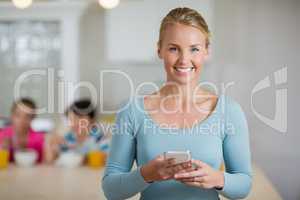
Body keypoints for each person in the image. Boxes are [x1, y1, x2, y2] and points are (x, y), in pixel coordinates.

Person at [102, 7, 252, 200]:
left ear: (207, 50)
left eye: (194, 49)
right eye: (173, 48)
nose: (184, 60)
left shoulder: (228, 111)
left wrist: (217, 178)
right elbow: (111, 190)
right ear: (159, 50)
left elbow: (244, 184)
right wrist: (146, 174)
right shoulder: (132, 111)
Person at [45, 99, 105, 163]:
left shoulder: (100, 138)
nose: (74, 123)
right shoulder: (68, 138)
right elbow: (50, 160)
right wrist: (49, 143)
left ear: (92, 119)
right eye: (71, 119)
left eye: (79, 118)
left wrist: (84, 159)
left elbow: (107, 159)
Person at [0, 98, 45, 163]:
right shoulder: (2, 135)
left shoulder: (39, 139)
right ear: (11, 116)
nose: (22, 120)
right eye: (18, 115)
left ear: (33, 118)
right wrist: (3, 148)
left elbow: (45, 163)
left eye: (27, 116)